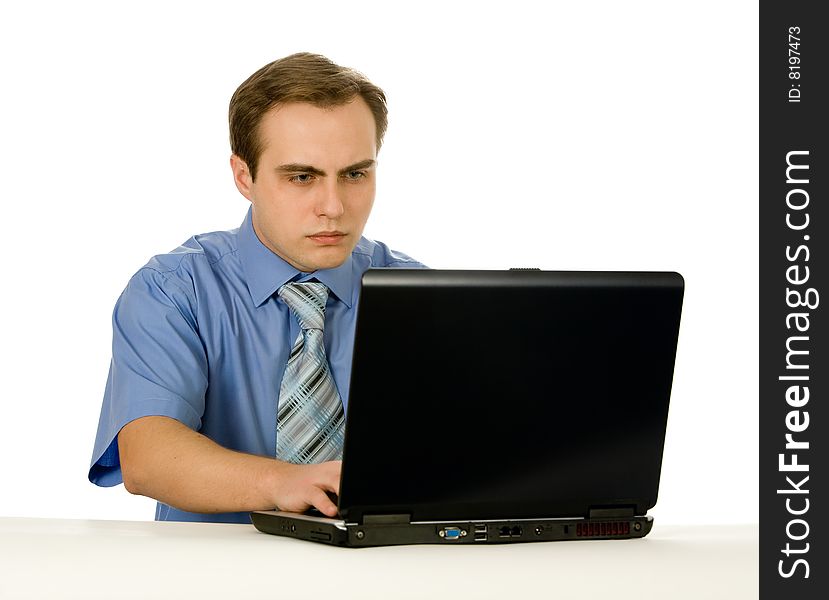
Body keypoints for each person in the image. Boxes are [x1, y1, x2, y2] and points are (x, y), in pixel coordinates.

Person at [88, 52, 426, 524]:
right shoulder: (173, 291)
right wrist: (282, 482)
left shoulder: (416, 294)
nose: (333, 206)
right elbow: (147, 458)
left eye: (355, 174)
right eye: (302, 177)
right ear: (244, 176)